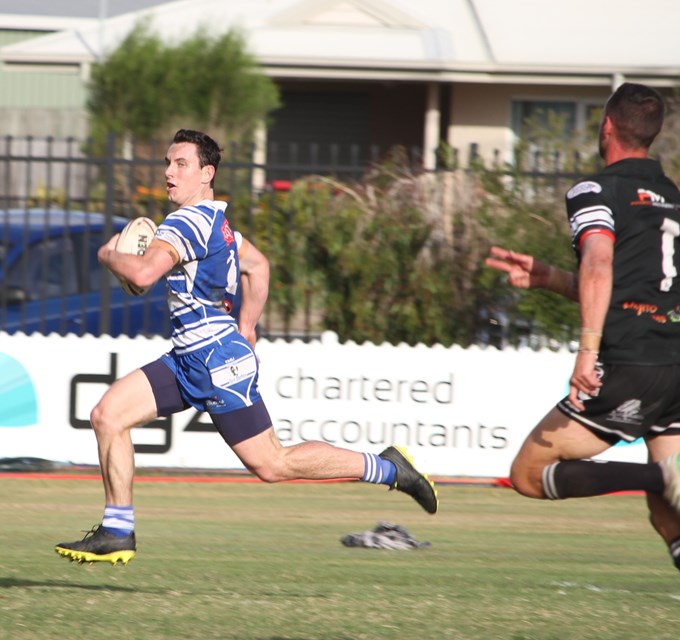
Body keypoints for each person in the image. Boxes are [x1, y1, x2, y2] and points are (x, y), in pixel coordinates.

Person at [56, 129, 437, 566]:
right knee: (108, 415)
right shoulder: (218, 224)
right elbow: (258, 266)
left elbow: (142, 275)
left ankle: (389, 468)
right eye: (167, 162)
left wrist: (109, 255)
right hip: (189, 358)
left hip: (216, 362)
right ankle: (117, 531)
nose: (168, 172)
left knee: (273, 465)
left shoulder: (185, 222)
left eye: (181, 164)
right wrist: (248, 326)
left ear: (207, 173)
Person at [485, 83, 680, 640]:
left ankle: (659, 474)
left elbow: (600, 264)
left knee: (529, 474)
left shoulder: (593, 189)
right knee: (670, 511)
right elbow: (630, 285)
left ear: (606, 127)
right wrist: (550, 276)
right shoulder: (671, 195)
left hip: (633, 362)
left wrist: (587, 352)